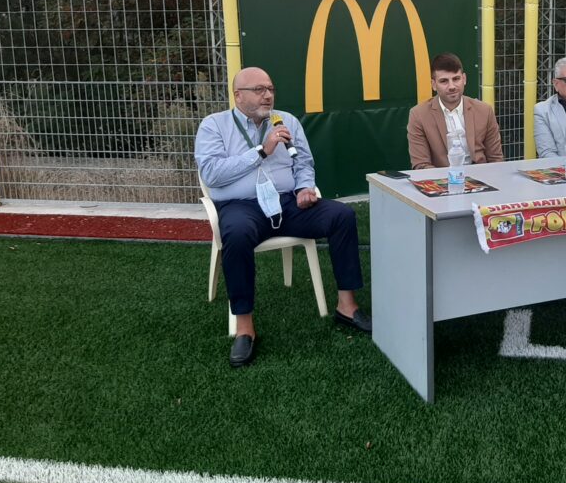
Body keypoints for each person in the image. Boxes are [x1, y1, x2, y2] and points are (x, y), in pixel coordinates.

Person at [195, 67, 370, 368]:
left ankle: (347, 305)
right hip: (241, 206)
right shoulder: (214, 125)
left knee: (341, 216)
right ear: (238, 95)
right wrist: (261, 151)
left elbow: (303, 162)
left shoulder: (286, 120)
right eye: (259, 90)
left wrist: (305, 188)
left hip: (287, 203)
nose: (268, 95)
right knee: (236, 235)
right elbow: (212, 174)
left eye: (271, 89)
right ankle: (245, 327)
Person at [407, 53, 504, 169]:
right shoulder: (419, 115)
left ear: (464, 79)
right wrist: (450, 178)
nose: (452, 86)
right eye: (444, 81)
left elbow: (496, 159)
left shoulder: (484, 111)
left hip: (481, 176)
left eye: (456, 79)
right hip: (442, 178)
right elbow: (421, 165)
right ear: (433, 85)